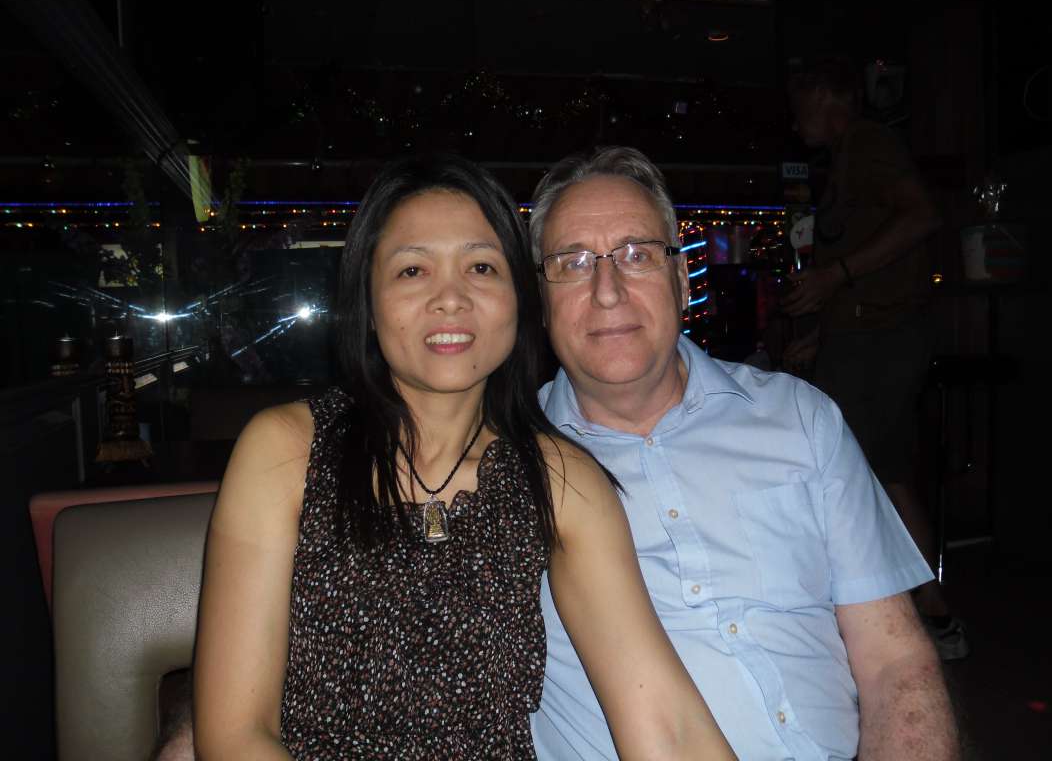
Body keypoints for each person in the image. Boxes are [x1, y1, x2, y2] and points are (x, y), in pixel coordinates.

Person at [192, 152, 736, 759]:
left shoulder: (563, 481)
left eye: (481, 266)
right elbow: (235, 736)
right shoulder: (287, 451)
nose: (450, 298)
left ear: (519, 299)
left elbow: (665, 723)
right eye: (412, 271)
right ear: (367, 302)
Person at [527, 146, 961, 760]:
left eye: (637, 254)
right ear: (540, 301)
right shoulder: (505, 464)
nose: (607, 290)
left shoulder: (801, 419)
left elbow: (895, 661)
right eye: (572, 263)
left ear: (683, 280)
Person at [780, 55, 968, 660]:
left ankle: (916, 618)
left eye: (800, 104)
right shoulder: (850, 156)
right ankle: (926, 616)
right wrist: (824, 333)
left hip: (882, 341)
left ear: (826, 96)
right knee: (874, 474)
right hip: (866, 337)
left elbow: (922, 216)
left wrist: (835, 274)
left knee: (856, 474)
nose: (795, 120)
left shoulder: (868, 145)